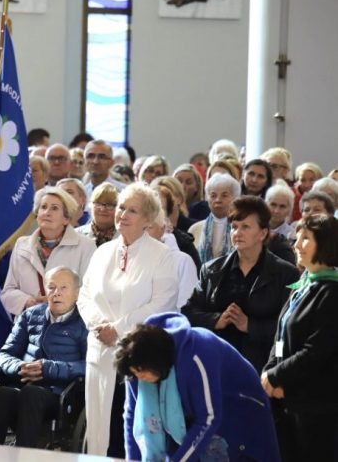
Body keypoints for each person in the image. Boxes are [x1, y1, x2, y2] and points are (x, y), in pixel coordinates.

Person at [77, 182, 179, 457]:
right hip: (99, 351)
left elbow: (162, 303)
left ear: (148, 219)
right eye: (121, 207)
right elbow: (84, 295)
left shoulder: (161, 255)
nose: (122, 214)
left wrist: (119, 329)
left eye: (132, 210)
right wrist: (99, 325)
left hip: (137, 355)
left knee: (127, 433)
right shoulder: (102, 252)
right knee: (97, 429)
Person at [117, 314, 280, 462]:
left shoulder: (198, 352)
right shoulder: (136, 364)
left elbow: (208, 418)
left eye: (141, 372)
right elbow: (132, 414)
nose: (139, 378)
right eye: (135, 374)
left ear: (156, 362)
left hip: (240, 416)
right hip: (199, 425)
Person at [182, 196, 300, 373]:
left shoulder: (286, 273)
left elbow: (289, 327)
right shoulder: (212, 270)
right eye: (234, 227)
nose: (237, 233)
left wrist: (250, 326)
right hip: (217, 362)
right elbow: (189, 312)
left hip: (262, 365)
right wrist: (216, 320)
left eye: (245, 227)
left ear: (262, 233)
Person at [0, 266, 87, 447]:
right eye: (51, 287)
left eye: (63, 288)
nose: (56, 293)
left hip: (60, 393)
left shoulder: (84, 322)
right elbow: (4, 356)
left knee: (31, 394)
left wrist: (49, 368)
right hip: (23, 384)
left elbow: (88, 365)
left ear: (77, 294)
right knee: (3, 393)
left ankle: (24, 453)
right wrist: (20, 367)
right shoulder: (30, 315)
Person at [262, 215, 338, 462]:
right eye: (297, 237)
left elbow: (316, 350)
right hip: (286, 400)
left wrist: (277, 376)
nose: (296, 245)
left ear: (325, 244)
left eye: (305, 238)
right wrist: (271, 369)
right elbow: (281, 335)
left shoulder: (332, 292)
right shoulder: (303, 285)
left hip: (315, 406)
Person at [1, 187, 96, 317]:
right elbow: (8, 291)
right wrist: (27, 302)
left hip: (69, 324)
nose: (47, 212)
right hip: (29, 323)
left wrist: (56, 301)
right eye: (43, 207)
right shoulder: (22, 244)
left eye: (54, 208)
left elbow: (90, 292)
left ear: (66, 219)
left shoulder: (86, 246)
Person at [147, 208, 198, 309]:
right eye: (141, 228)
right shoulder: (129, 258)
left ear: (162, 229)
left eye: (149, 228)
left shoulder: (182, 261)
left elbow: (186, 306)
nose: (144, 233)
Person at [188, 173, 241, 263]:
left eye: (224, 195)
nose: (218, 200)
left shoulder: (239, 229)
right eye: (213, 195)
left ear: (235, 198)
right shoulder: (195, 229)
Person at [76, 182, 119, 247]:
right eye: (98, 204)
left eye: (109, 205)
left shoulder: (127, 236)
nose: (102, 209)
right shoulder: (76, 235)